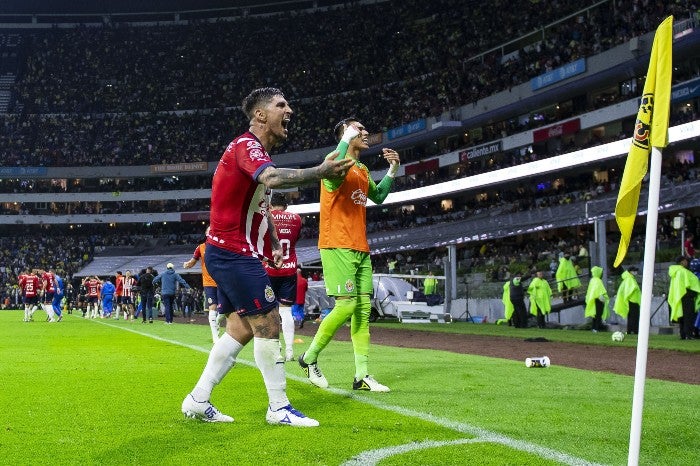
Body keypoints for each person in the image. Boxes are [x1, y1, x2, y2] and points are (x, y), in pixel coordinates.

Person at [181, 87, 354, 427]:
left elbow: (261, 203)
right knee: (269, 323)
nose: (289, 109)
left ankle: (198, 399)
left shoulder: (253, 152)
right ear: (260, 115)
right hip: (232, 253)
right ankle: (278, 407)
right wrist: (318, 171)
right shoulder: (248, 146)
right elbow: (271, 178)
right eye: (281, 105)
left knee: (240, 329)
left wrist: (272, 240)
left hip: (230, 251)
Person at [298, 116, 400, 393]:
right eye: (359, 129)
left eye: (365, 128)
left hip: (360, 246)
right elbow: (332, 170)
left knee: (363, 310)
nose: (366, 132)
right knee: (345, 306)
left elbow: (377, 197)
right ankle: (309, 358)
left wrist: (392, 170)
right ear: (346, 133)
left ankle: (362, 376)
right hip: (336, 243)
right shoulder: (335, 159)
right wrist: (345, 138)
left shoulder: (363, 169)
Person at [265, 192, 302, 362]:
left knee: (271, 311)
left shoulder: (266, 218)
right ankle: (289, 350)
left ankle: (277, 349)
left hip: (270, 269)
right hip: (289, 268)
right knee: (286, 311)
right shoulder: (296, 219)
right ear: (286, 206)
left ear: (270, 205)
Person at [668, 256, 700, 340]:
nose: (687, 262)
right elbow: (690, 284)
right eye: (686, 261)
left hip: (679, 296)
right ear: (682, 262)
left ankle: (683, 335)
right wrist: (693, 294)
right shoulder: (683, 272)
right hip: (686, 296)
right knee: (689, 317)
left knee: (682, 316)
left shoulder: (674, 272)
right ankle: (689, 335)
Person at [613, 266, 641, 334]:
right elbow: (630, 289)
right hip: (633, 300)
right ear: (630, 272)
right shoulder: (630, 279)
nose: (636, 272)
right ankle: (634, 330)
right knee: (634, 317)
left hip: (632, 300)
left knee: (631, 316)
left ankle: (630, 330)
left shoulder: (628, 279)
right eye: (634, 271)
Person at [584, 265, 609, 332]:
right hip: (598, 300)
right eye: (601, 272)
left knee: (595, 315)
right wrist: (603, 299)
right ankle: (596, 328)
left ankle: (594, 327)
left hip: (593, 300)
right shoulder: (598, 281)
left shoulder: (592, 280)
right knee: (598, 315)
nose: (602, 274)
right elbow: (600, 291)